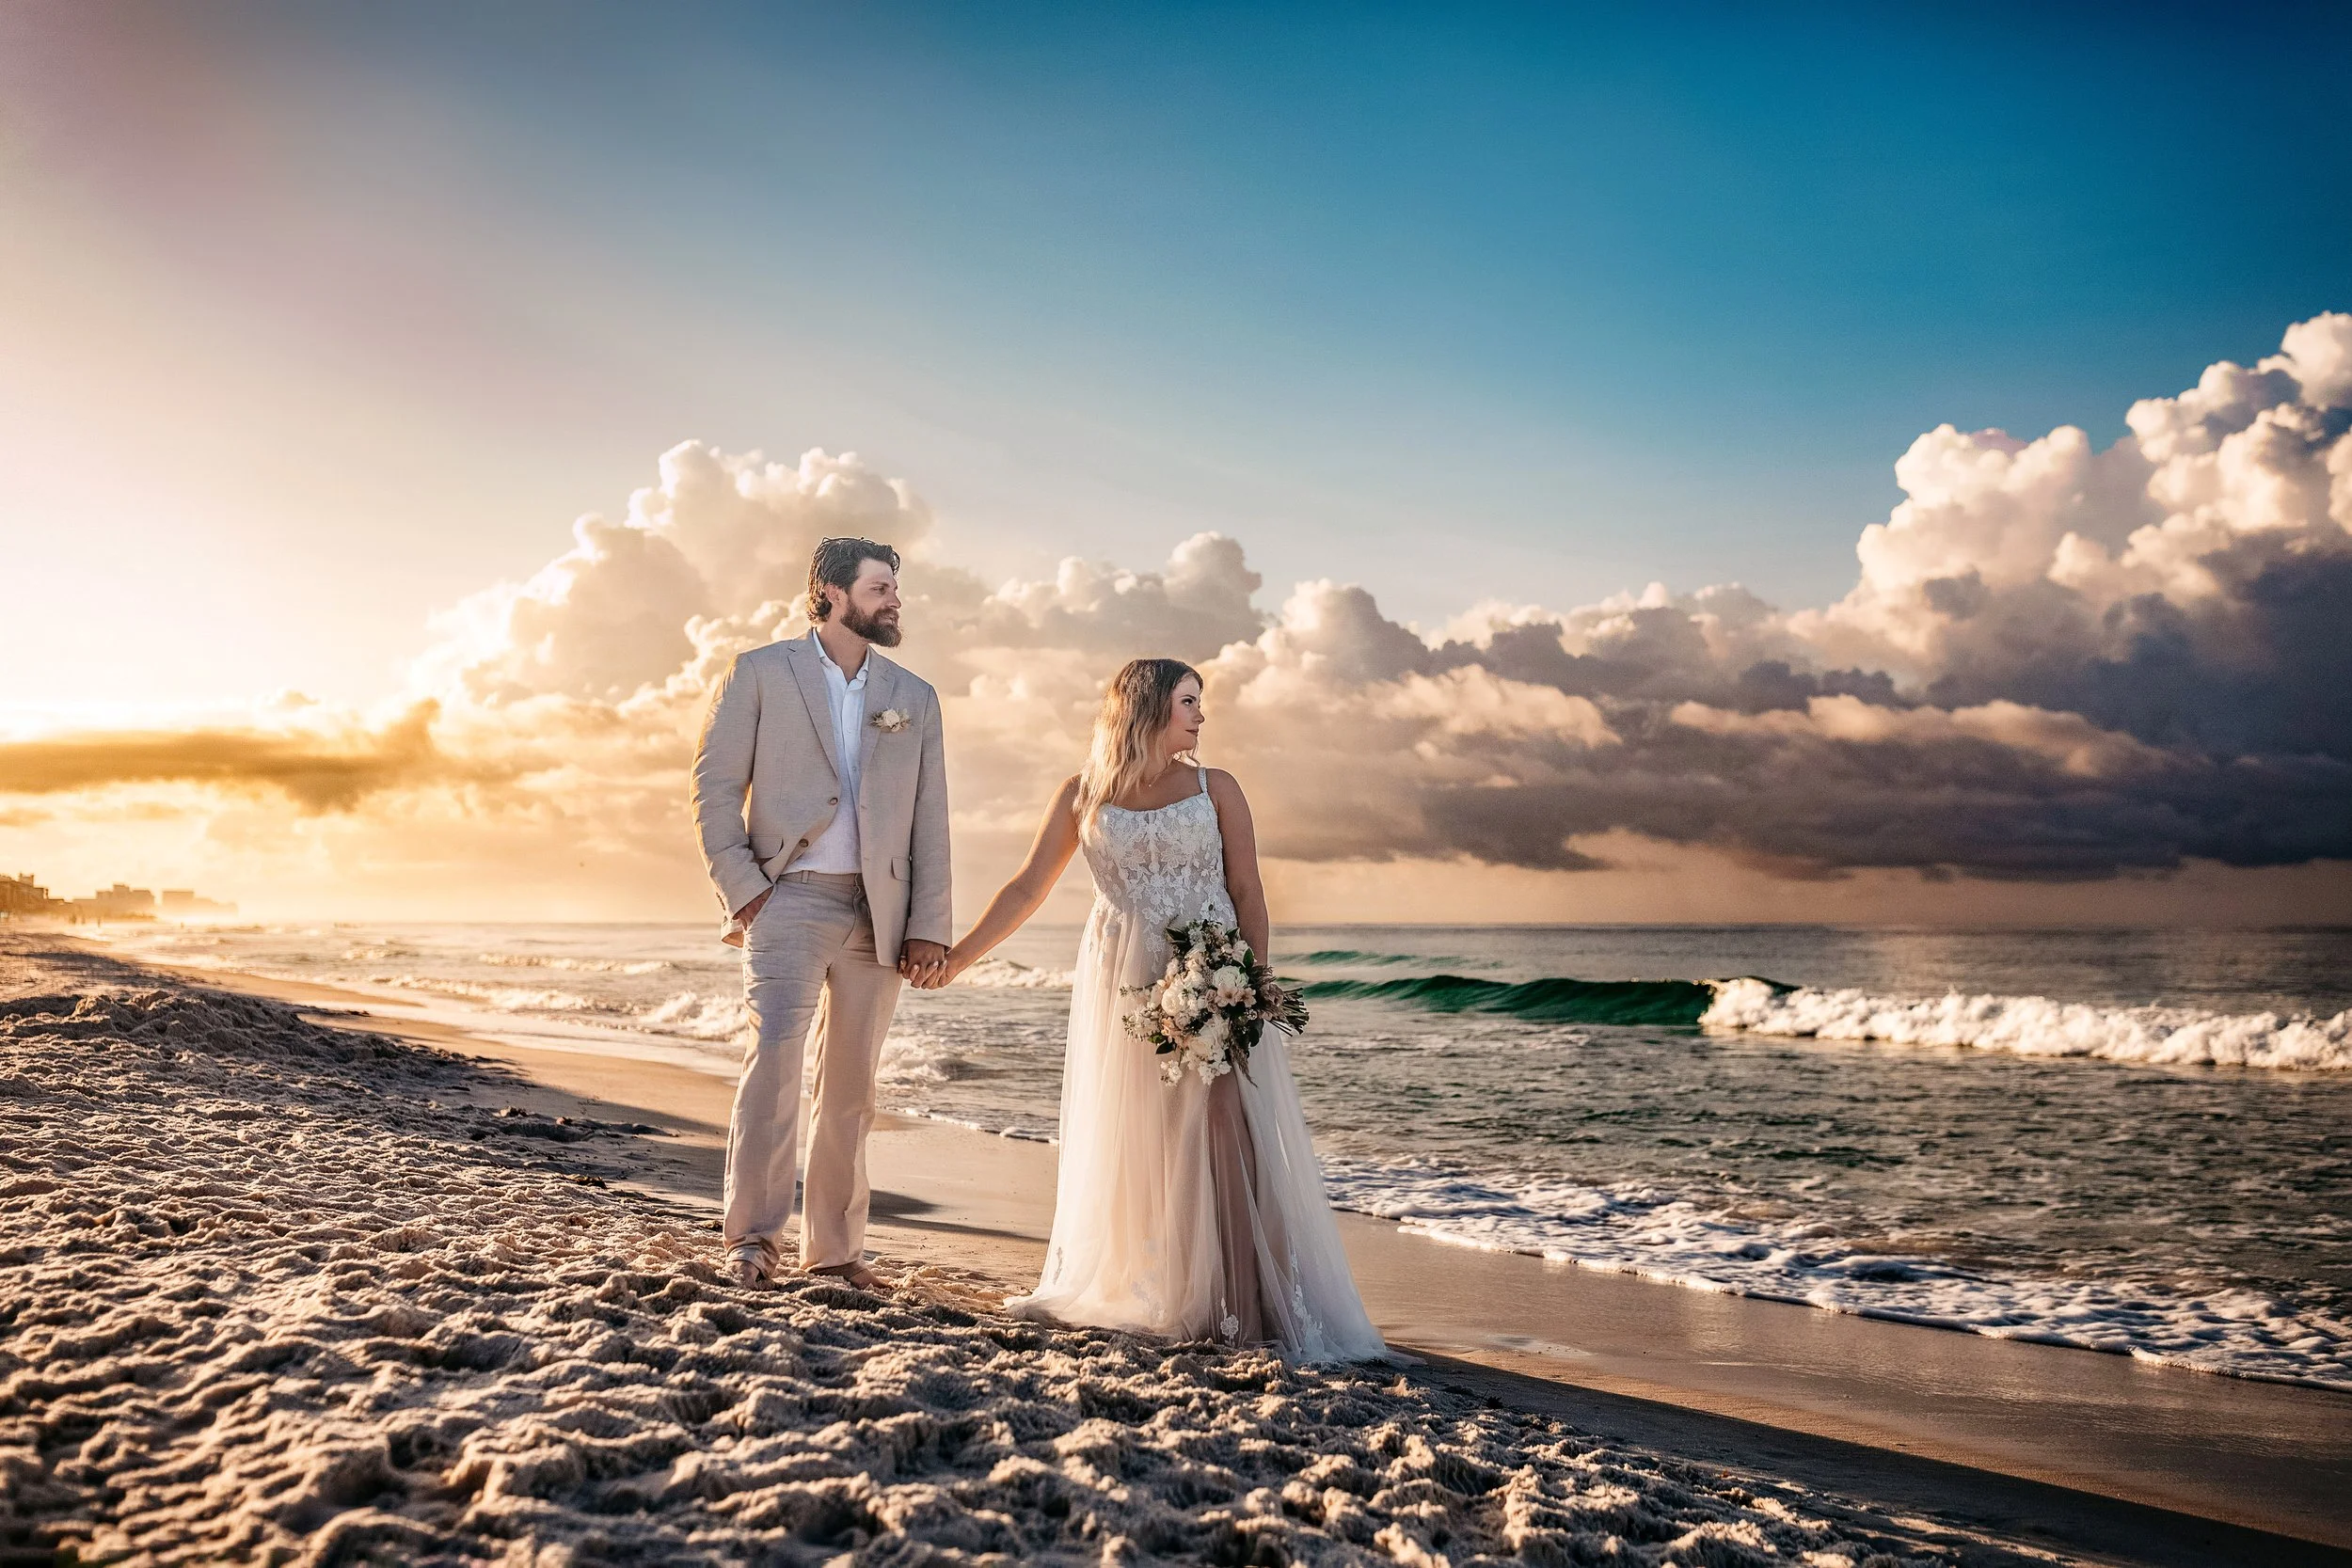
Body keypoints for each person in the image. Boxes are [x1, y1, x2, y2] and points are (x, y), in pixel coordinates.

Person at [922, 657, 1386, 1360]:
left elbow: (1249, 890)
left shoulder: (1215, 786)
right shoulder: (1083, 794)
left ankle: (1242, 1307)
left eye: (1200, 702)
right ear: (1147, 708)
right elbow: (1025, 889)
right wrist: (958, 958)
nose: (1200, 715)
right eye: (1188, 701)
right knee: (1149, 1136)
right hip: (1125, 980)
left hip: (1212, 971)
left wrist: (1254, 982)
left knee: (1224, 1127)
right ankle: (1175, 1290)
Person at [690, 537, 950, 1291]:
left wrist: (930, 922)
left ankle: (834, 1250)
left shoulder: (917, 696)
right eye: (879, 587)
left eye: (895, 588)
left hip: (881, 913)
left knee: (852, 1087)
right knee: (773, 1060)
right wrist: (745, 888)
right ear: (832, 594)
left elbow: (929, 818)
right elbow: (712, 790)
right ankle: (753, 1239)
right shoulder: (761, 672)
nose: (894, 600)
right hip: (787, 898)